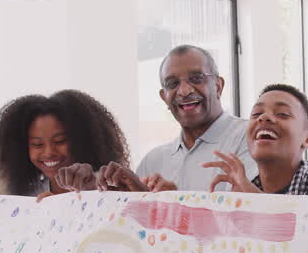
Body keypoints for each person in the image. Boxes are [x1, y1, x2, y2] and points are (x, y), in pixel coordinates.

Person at [96, 45, 254, 193]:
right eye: (172, 83)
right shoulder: (152, 161)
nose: (184, 91)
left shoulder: (249, 137)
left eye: (197, 78)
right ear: (164, 97)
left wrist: (172, 201)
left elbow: (249, 215)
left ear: (218, 86)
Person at [204, 83, 308, 196]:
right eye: (256, 113)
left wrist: (252, 199)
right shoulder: (239, 189)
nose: (264, 117)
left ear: (307, 139)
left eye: (283, 114)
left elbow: (307, 233)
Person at [0, 89, 129, 198]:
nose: (48, 152)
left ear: (83, 140)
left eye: (60, 141)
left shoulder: (106, 184)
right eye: (37, 144)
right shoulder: (26, 194)